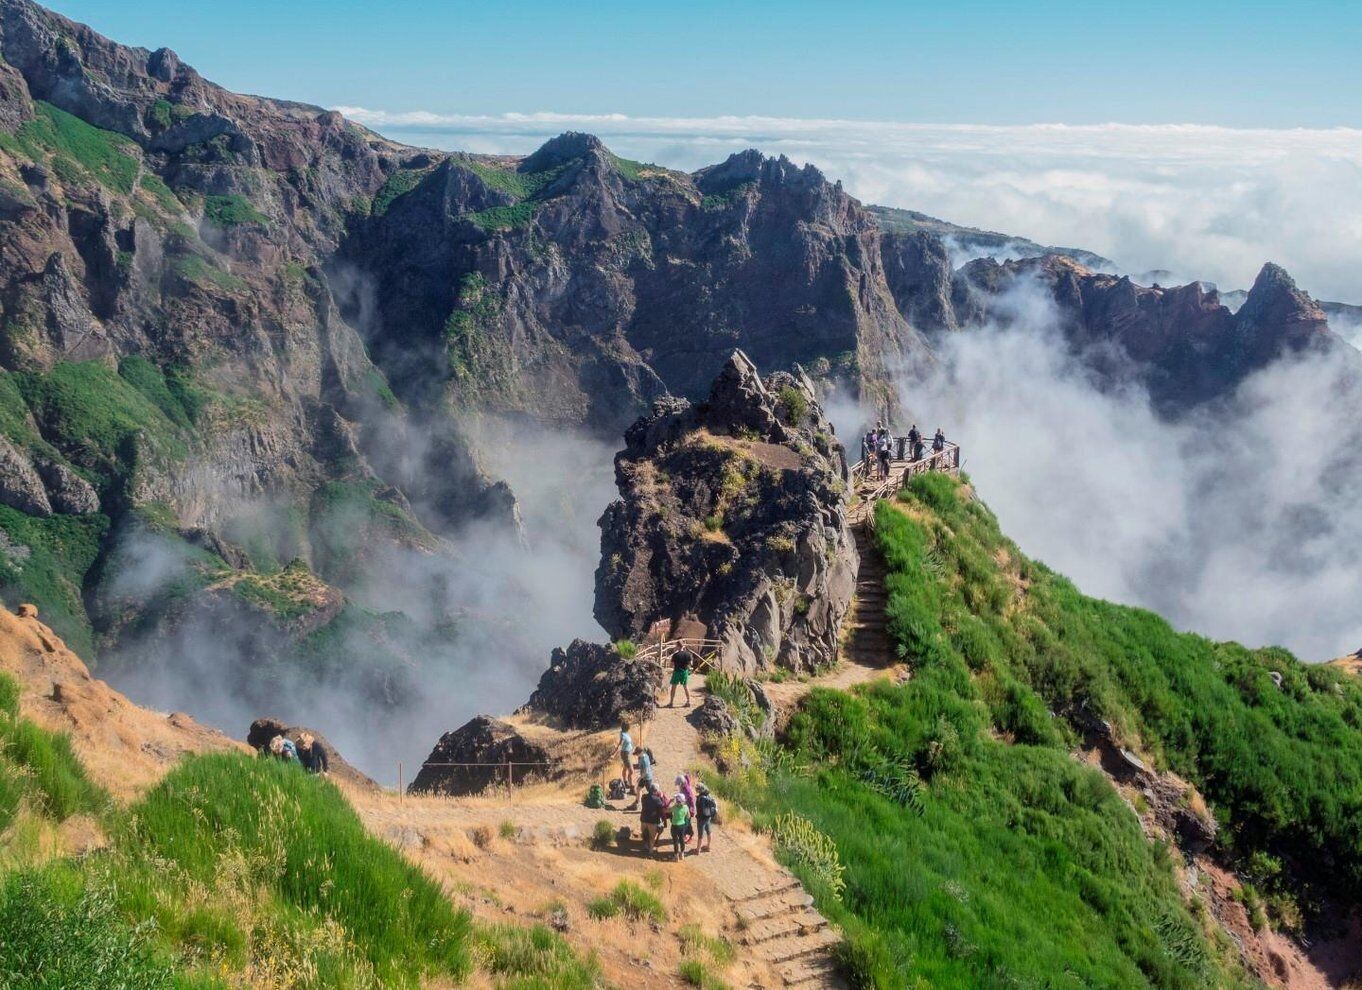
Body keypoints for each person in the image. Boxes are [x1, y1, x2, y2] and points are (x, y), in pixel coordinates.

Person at [640, 784, 666, 854]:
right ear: (656, 791)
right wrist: (661, 798)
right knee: (652, 837)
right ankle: (650, 851)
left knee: (645, 834)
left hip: (643, 819)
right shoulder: (657, 800)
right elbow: (661, 809)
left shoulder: (644, 797)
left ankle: (645, 845)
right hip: (652, 821)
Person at [669, 791, 692, 861]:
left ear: (678, 800)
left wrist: (669, 802)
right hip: (682, 826)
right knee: (682, 840)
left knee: (675, 841)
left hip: (674, 826)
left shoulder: (675, 807)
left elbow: (667, 810)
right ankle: (682, 854)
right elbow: (688, 816)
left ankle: (676, 856)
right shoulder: (686, 807)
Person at [695, 783, 718, 853]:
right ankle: (708, 847)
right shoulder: (708, 796)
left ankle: (698, 850)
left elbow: (699, 808)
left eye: (697, 789)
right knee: (709, 832)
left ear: (700, 790)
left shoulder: (700, 798)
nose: (696, 789)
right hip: (708, 817)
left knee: (700, 835)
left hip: (701, 819)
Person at [617, 722, 635, 792]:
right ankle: (632, 788)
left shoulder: (625, 733)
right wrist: (614, 753)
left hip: (628, 753)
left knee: (625, 767)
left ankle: (625, 782)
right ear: (627, 728)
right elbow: (620, 744)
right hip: (625, 754)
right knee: (631, 771)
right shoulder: (623, 735)